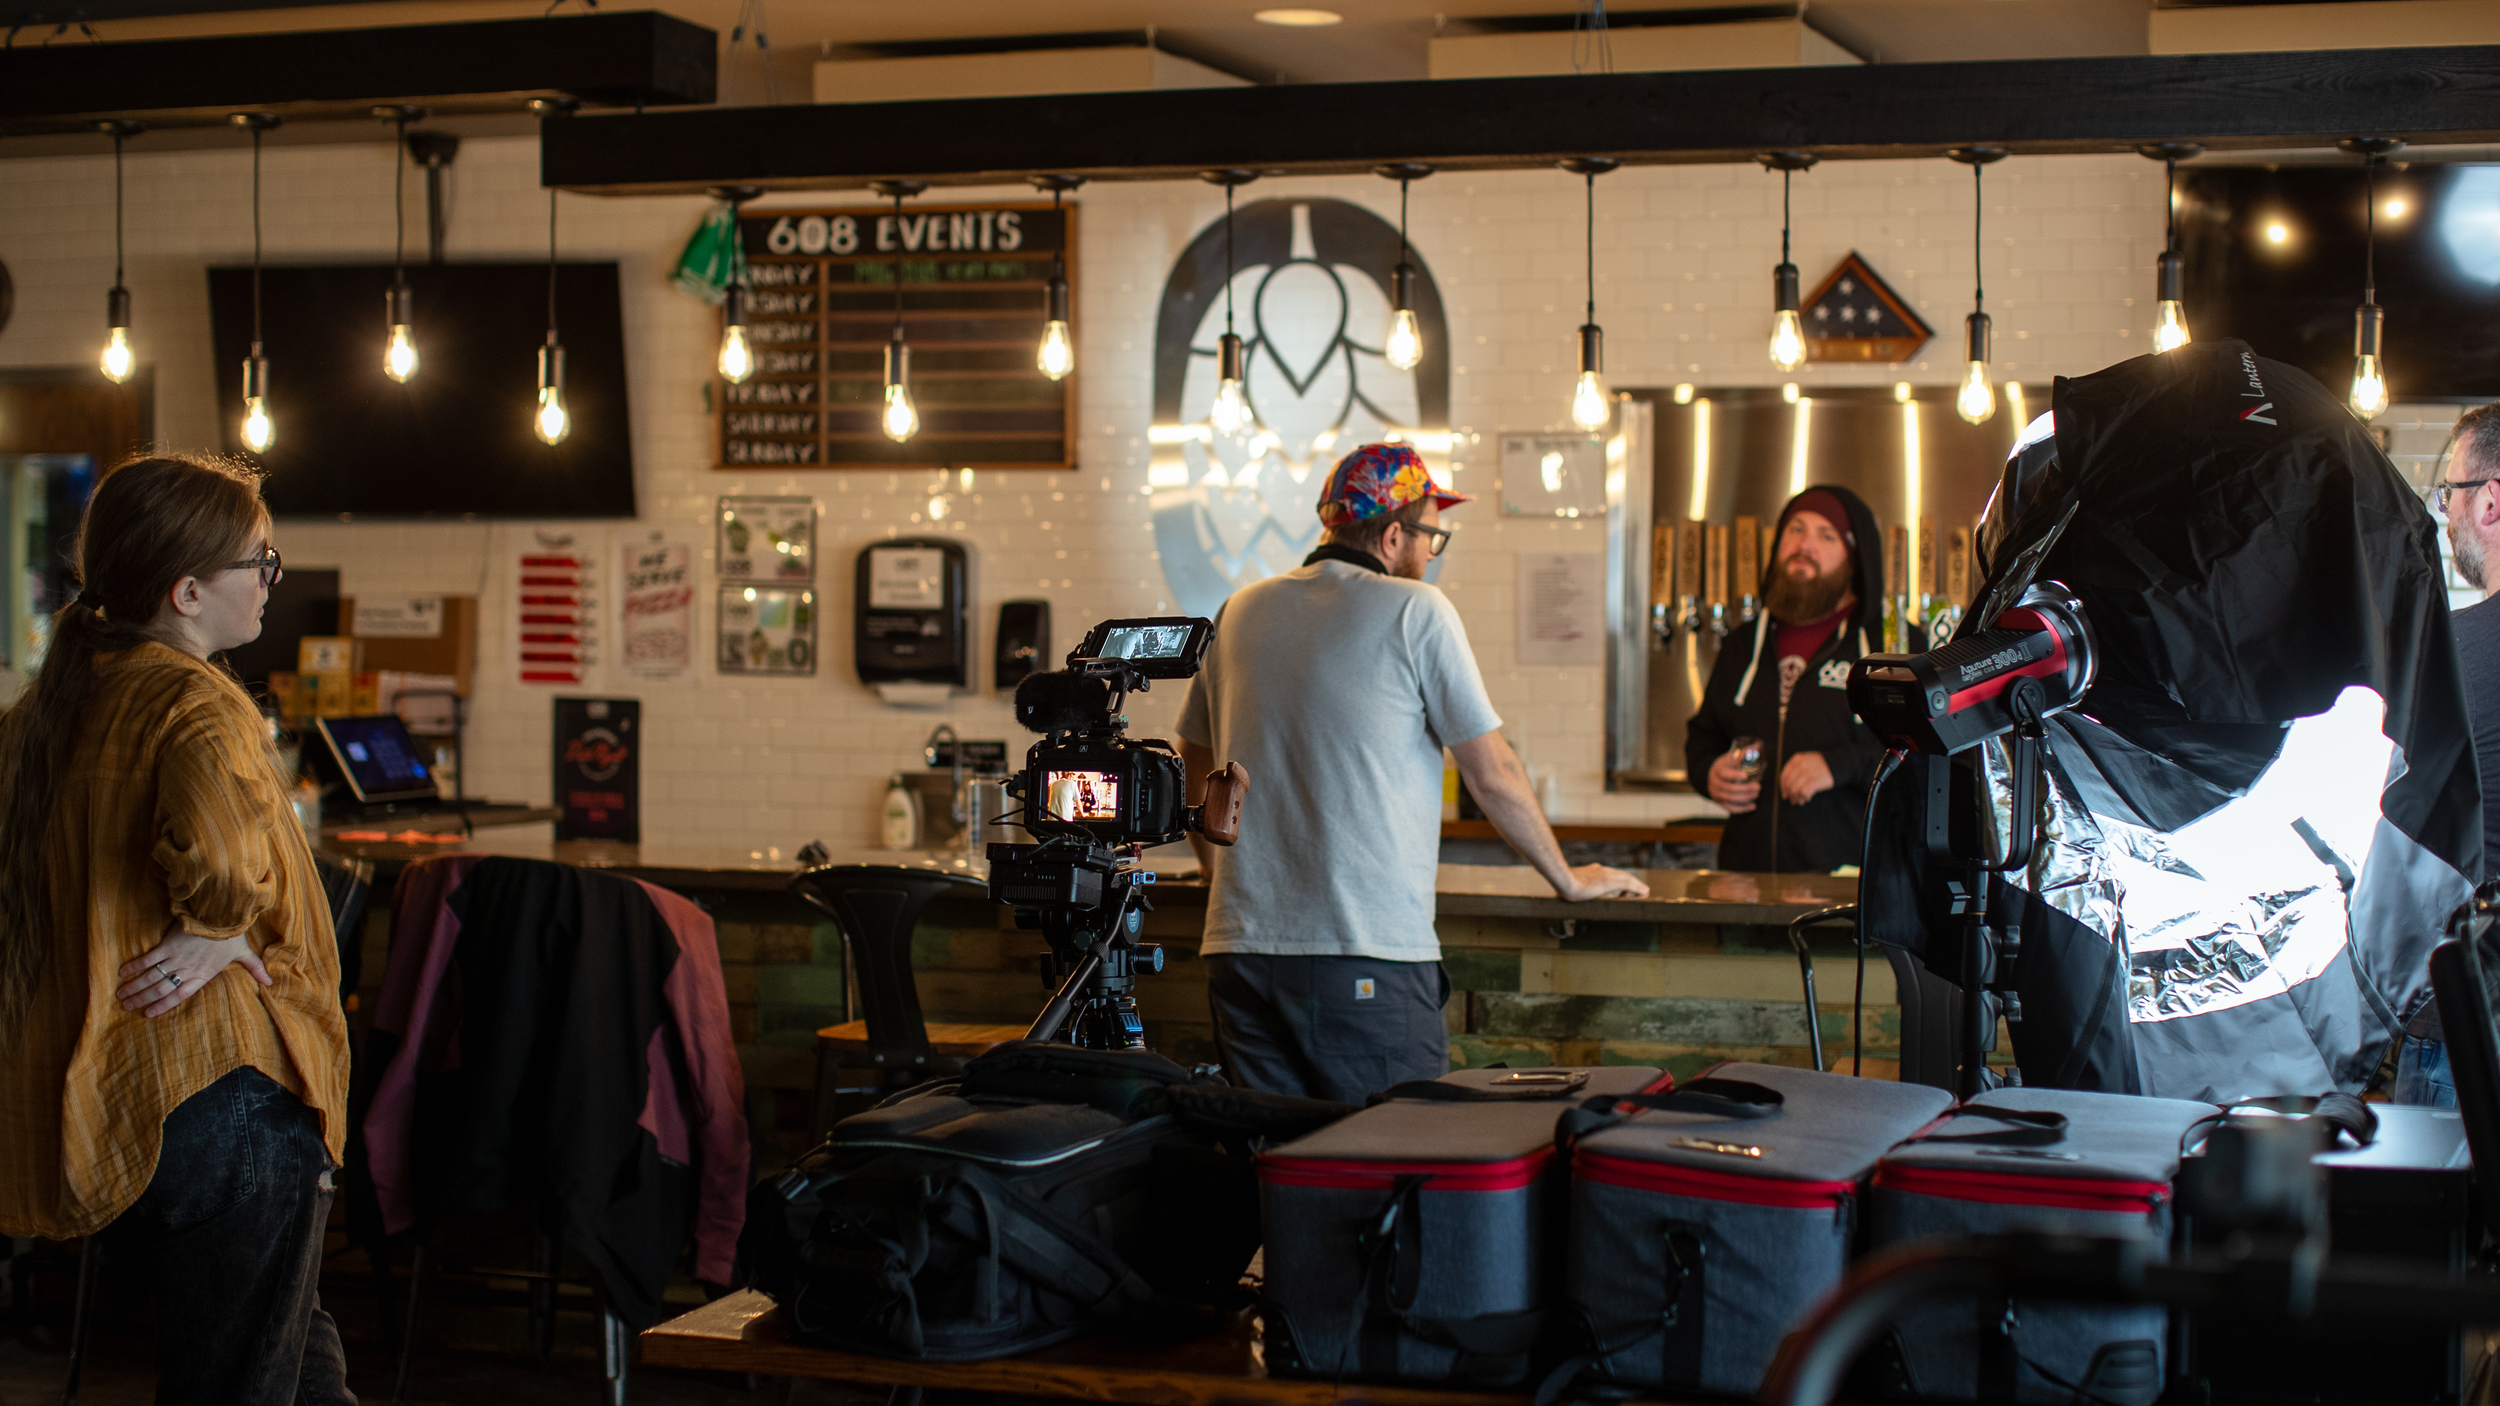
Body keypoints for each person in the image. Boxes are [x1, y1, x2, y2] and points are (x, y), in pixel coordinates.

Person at [0, 454, 354, 1404]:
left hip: (124, 1094)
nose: (272, 578)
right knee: (241, 1381)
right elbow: (227, 862)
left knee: (291, 1361)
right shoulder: (197, 699)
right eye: (260, 562)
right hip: (223, 1087)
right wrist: (221, 927)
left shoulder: (42, 714)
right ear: (189, 591)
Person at [1177, 443, 1649, 1102]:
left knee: (1270, 1168)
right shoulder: (1415, 611)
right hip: (1361, 957)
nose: (1432, 553)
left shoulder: (1238, 610)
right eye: (1432, 534)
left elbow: (1193, 755)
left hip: (1240, 954)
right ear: (1394, 534)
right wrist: (1567, 879)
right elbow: (1494, 772)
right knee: (1390, 1164)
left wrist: (1210, 865)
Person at [1685, 485, 1893, 873]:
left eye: (1825, 535)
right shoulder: (1744, 643)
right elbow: (1702, 738)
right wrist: (1709, 772)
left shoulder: (1891, 646)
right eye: (1795, 529)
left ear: (1854, 559)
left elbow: (1925, 757)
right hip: (1746, 886)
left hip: (1848, 892)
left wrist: (1838, 766)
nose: (1805, 545)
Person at [2396, 403, 2500, 1107]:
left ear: (2491, 499)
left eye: (2452, 494)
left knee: (2443, 1219)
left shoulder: (2444, 657)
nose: (2447, 514)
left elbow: (2389, 846)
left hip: (2467, 1029)